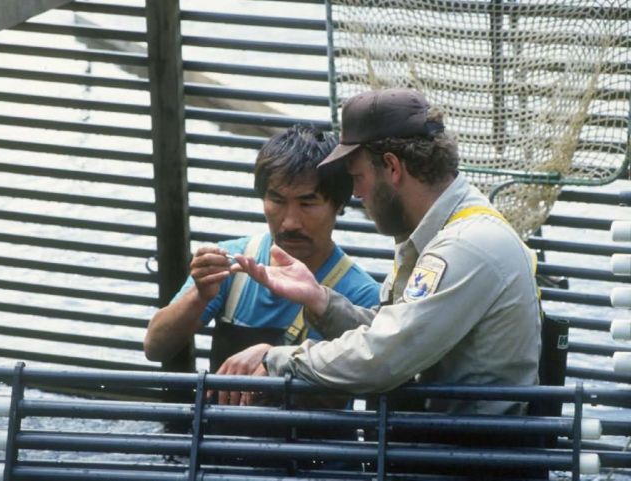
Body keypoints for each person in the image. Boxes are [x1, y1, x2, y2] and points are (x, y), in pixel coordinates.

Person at [231, 88, 541, 417]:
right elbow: (397, 331)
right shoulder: (439, 230)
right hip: (445, 448)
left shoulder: (466, 245)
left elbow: (383, 359)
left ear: (392, 167)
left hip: (473, 459)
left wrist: (276, 359)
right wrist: (322, 301)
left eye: (357, 177)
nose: (356, 193)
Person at [143, 124, 380, 406]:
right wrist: (199, 295)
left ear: (339, 204)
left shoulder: (362, 294)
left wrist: (276, 359)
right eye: (277, 201)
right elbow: (155, 347)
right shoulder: (233, 264)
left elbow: (376, 376)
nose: (290, 222)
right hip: (226, 445)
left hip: (316, 448)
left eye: (307, 204)